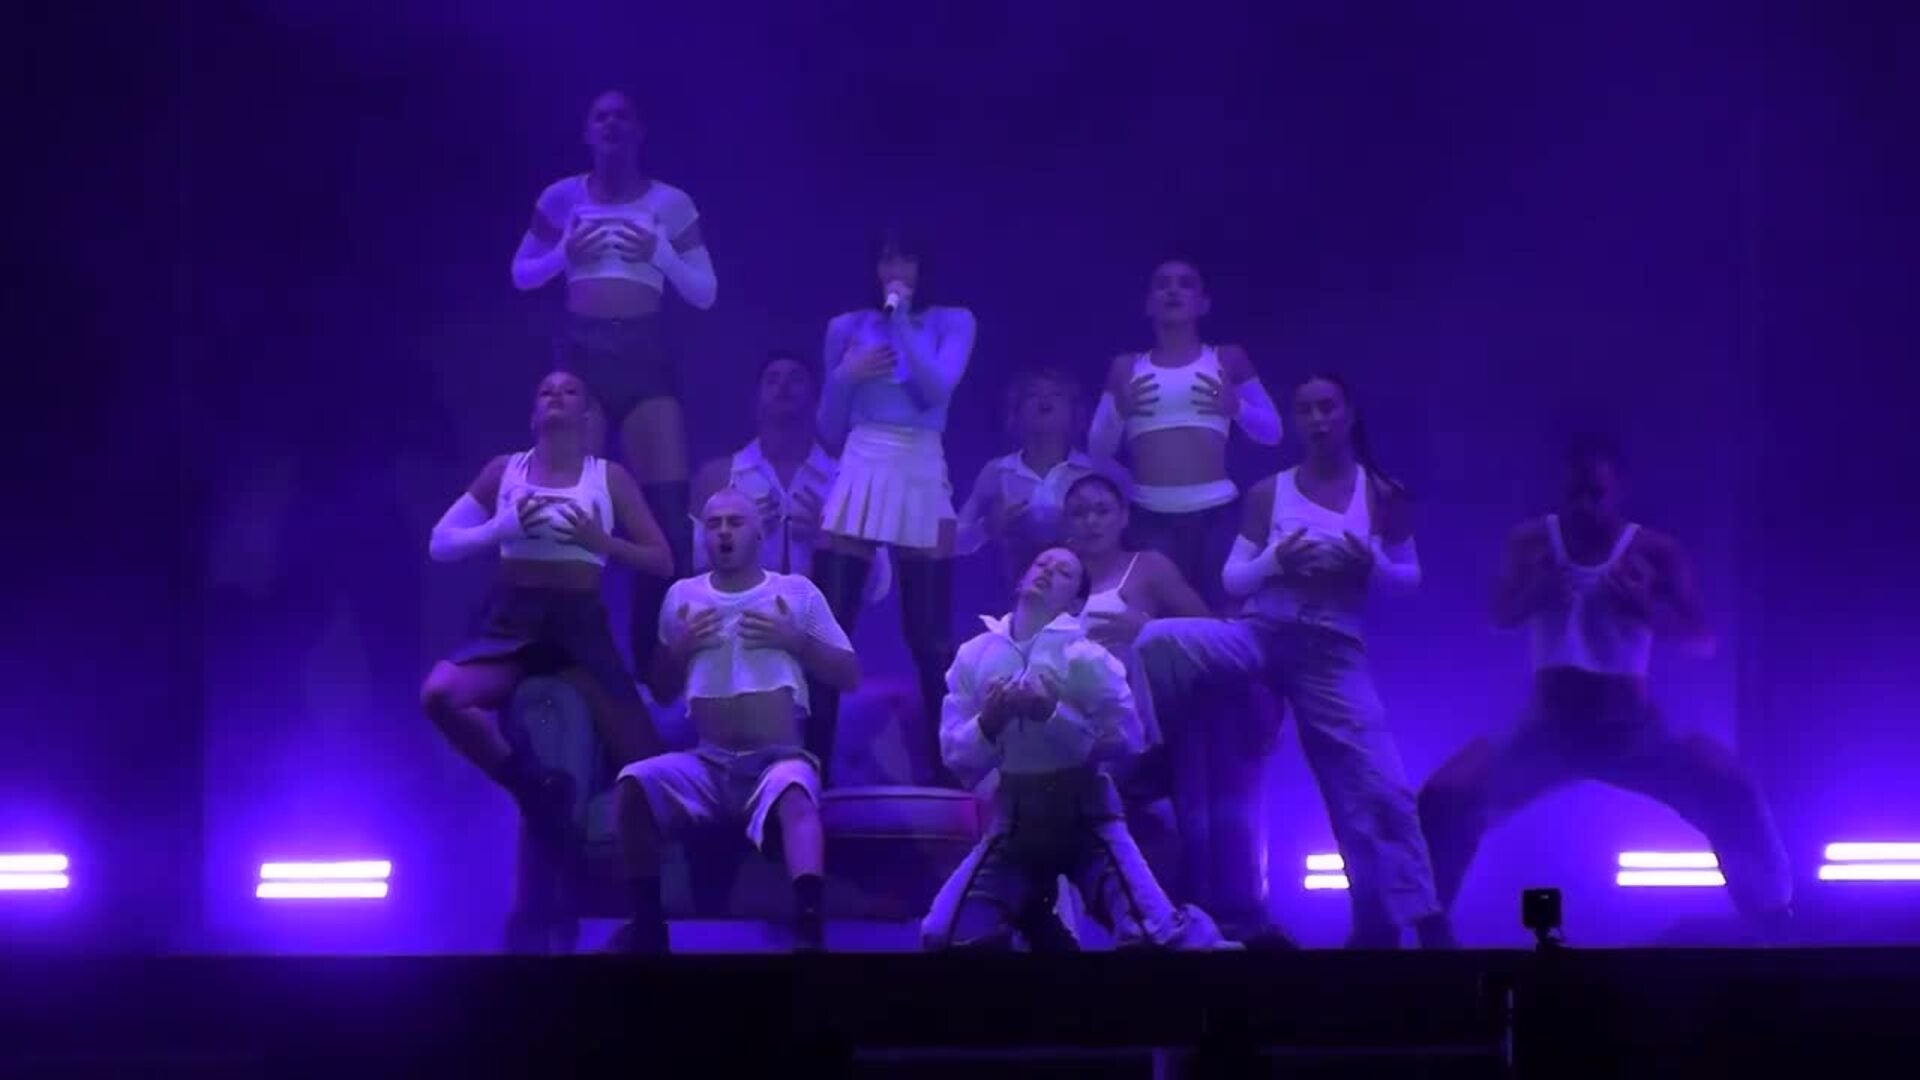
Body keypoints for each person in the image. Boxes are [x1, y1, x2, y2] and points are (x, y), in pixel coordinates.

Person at [1417, 436, 1794, 940]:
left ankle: (1773, 924)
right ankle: (1428, 936)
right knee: (1446, 795)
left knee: (1728, 786)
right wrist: (1535, 593)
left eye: (1595, 494)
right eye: (1575, 493)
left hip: (1630, 731)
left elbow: (1702, 639)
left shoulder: (1652, 550)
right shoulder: (1533, 542)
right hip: (1547, 730)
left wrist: (1646, 609)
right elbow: (1498, 617)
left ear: (1618, 491)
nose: (1584, 506)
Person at [1138, 373, 1448, 948]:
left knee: (1374, 788)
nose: (1317, 419)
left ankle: (1409, 917)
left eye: (1327, 407)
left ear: (1349, 412)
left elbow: (1410, 579)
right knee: (1156, 643)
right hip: (1262, 631)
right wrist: (1275, 562)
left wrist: (1373, 564)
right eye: (1305, 410)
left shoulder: (1383, 493)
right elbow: (1235, 577)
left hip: (1331, 650)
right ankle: (1144, 759)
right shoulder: (1269, 491)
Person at [418, 371, 673, 943]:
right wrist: (500, 527)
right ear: (533, 413)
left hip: (580, 628)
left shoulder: (608, 477)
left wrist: (602, 543)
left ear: (587, 417)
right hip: (512, 622)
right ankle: (531, 785)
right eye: (545, 391)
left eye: (570, 391)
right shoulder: (504, 470)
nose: (556, 396)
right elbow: (440, 543)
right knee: (438, 693)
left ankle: (647, 919)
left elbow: (661, 559)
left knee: (647, 766)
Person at [922, 547, 1232, 950]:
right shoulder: (974, 655)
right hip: (1014, 823)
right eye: (1041, 564)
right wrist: (988, 723)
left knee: (1154, 934)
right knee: (944, 935)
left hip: (1087, 817)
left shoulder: (1088, 658)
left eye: (1064, 572)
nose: (1048, 572)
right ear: (1021, 579)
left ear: (1076, 602)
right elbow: (955, 756)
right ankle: (1034, 918)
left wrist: (1054, 715)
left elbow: (1127, 739)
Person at [509, 88, 718, 682]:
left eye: (623, 115)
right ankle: (573, 657)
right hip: (583, 352)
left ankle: (655, 667)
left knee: (668, 517)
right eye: (601, 116)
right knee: (574, 504)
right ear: (587, 131)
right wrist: (564, 252)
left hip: (644, 352)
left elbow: (705, 292)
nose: (611, 124)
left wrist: (660, 253)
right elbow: (522, 274)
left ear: (639, 130)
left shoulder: (670, 203)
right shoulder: (561, 198)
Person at [613, 489, 861, 953]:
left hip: (777, 760)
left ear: (759, 533)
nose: (724, 532)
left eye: (735, 522)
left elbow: (849, 675)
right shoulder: (682, 596)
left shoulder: (796, 592)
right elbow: (662, 690)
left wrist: (796, 641)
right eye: (714, 524)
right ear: (703, 536)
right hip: (707, 765)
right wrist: (679, 648)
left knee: (794, 790)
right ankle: (647, 926)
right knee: (633, 784)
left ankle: (810, 929)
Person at [810, 228, 976, 786]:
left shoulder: (953, 321)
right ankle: (813, 768)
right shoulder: (846, 327)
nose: (895, 269)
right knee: (832, 627)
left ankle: (948, 773)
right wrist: (845, 375)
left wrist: (901, 322)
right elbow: (829, 429)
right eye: (886, 258)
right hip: (861, 458)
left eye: (906, 257)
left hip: (919, 461)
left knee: (929, 636)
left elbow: (936, 391)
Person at [1087, 259, 1282, 608]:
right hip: (1149, 517)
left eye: (1185, 283)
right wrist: (1119, 411)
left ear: (1203, 303)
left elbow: (1273, 432)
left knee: (1222, 618)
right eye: (1163, 284)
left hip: (1218, 514)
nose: (1173, 291)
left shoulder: (1227, 358)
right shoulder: (1126, 366)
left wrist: (1236, 407)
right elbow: (1097, 450)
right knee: (1157, 623)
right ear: (1149, 303)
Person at [955, 366, 1121, 588]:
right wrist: (988, 527)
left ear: (1074, 410)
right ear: (1017, 411)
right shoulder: (998, 471)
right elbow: (954, 542)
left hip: (1088, 591)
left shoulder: (1094, 470)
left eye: (1056, 394)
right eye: (1033, 394)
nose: (1045, 402)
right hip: (1013, 593)